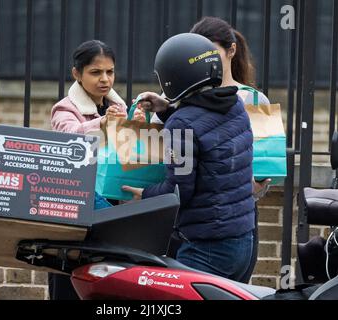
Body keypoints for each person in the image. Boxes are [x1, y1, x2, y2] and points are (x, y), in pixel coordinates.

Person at [139, 17, 271, 283]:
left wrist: (144, 195)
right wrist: (168, 111)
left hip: (207, 247)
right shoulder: (234, 104)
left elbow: (179, 190)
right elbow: (208, 134)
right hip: (242, 240)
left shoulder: (182, 124)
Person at [49, 39, 142, 300]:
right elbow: (69, 139)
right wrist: (103, 123)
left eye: (110, 72)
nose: (105, 79)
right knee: (70, 280)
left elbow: (131, 154)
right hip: (76, 211)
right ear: (76, 74)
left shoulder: (120, 109)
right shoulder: (66, 109)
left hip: (112, 207)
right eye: (95, 72)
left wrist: (137, 126)